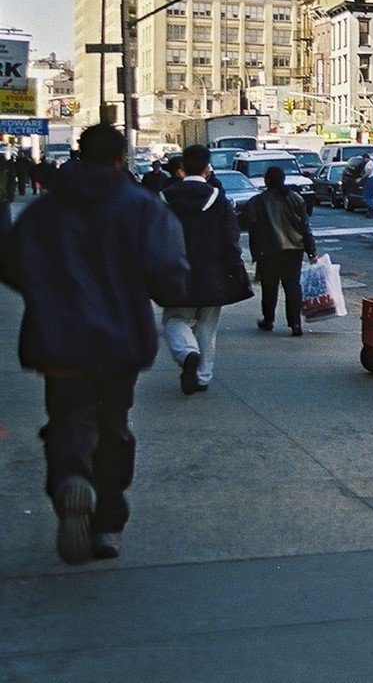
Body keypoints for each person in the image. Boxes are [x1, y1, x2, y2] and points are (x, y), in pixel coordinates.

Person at [0, 124, 188, 563]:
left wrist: (45, 296)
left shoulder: (45, 211)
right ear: (121, 158)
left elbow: (10, 262)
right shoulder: (142, 207)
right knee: (113, 424)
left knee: (67, 416)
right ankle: (107, 523)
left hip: (58, 339)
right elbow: (168, 273)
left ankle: (70, 480)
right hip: (120, 342)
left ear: (79, 155)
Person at [159, 144, 253, 394]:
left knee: (175, 319)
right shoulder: (217, 198)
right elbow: (230, 239)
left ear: (182, 168)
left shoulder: (164, 198)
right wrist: (235, 270)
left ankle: (187, 353)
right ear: (207, 168)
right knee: (208, 327)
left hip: (175, 275)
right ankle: (202, 376)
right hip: (213, 273)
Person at [239, 165, 316, 336]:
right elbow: (305, 227)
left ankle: (269, 320)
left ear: (267, 181)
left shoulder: (258, 201)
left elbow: (245, 222)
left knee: (269, 286)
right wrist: (311, 251)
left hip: (268, 249)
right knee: (292, 286)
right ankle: (295, 324)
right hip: (294, 248)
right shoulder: (296, 199)